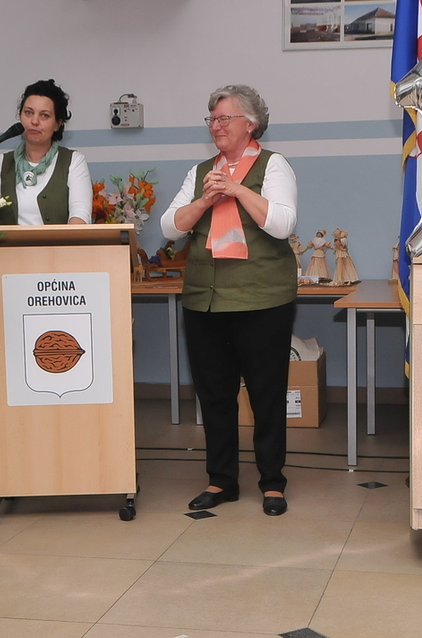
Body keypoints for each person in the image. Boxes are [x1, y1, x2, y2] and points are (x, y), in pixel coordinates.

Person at [161, 84, 298, 516]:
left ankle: (272, 483)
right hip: (205, 299)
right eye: (212, 119)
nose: (216, 126)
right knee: (214, 394)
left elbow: (282, 223)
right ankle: (221, 480)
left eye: (224, 118)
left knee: (265, 394)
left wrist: (237, 190)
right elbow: (170, 227)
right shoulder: (200, 171)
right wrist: (206, 199)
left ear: (250, 124)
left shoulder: (274, 165)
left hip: (262, 299)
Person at [0, 79, 92, 225]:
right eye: (28, 113)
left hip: (61, 241)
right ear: (20, 116)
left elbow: (80, 215)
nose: (34, 121)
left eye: (44, 115)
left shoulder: (73, 161)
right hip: (9, 242)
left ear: (57, 124)